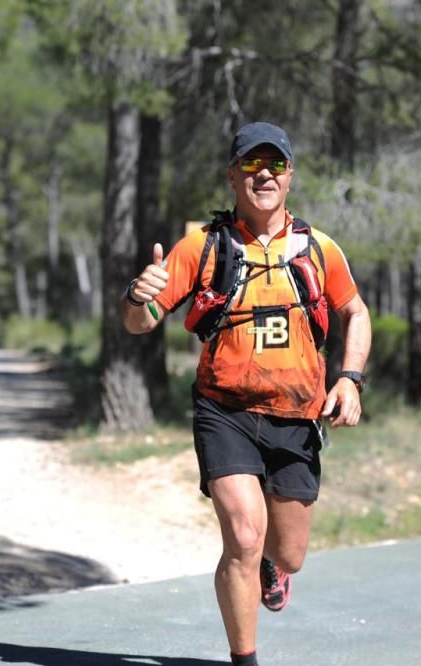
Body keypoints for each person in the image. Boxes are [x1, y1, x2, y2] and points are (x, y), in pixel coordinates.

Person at [121, 121, 371, 666]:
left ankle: (273, 566)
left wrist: (349, 380)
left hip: (298, 416)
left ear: (290, 175)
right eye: (252, 165)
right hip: (224, 410)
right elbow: (141, 323)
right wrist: (137, 296)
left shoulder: (318, 248)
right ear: (233, 174)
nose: (264, 175)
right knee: (243, 532)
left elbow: (355, 311)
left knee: (290, 553)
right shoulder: (204, 247)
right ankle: (244, 658)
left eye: (275, 165)